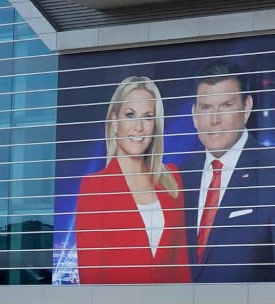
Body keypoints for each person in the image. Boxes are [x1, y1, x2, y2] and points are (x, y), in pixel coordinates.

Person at [184, 60, 275, 284]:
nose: (214, 119)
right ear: (194, 114)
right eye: (206, 108)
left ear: (246, 108)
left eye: (226, 105)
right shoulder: (180, 178)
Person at [72, 75, 191, 284]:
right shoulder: (94, 188)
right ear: (115, 122)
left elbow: (181, 266)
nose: (138, 127)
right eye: (130, 115)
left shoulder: (171, 179)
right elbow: (90, 278)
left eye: (147, 117)